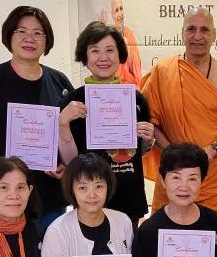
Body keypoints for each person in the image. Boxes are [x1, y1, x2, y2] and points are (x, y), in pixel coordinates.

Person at [0, 6, 74, 235]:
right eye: (21, 31)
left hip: (50, 195)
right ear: (9, 36)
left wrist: (66, 165)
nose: (29, 39)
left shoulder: (59, 82)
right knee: (6, 254)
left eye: (37, 33)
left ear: (47, 40)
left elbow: (71, 133)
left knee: (48, 254)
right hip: (5, 196)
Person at [141, 7, 217, 228]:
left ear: (214, 35)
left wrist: (214, 149)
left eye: (204, 30)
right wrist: (173, 153)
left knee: (216, 241)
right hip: (173, 175)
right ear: (182, 33)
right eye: (191, 29)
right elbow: (149, 122)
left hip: (215, 180)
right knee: (167, 240)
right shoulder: (163, 71)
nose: (197, 36)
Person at [58, 22, 155, 225]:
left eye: (110, 50)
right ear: (85, 57)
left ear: (120, 55)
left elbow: (139, 152)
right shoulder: (72, 102)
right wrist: (63, 124)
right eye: (95, 51)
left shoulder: (136, 99)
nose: (103, 57)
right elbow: (70, 161)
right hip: (88, 200)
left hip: (129, 196)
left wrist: (147, 140)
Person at [110, 0, 143, 88]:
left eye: (121, 9)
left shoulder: (129, 34)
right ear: (112, 15)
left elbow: (136, 68)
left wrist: (127, 49)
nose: (120, 14)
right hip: (115, 86)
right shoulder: (109, 36)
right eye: (116, 10)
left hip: (131, 85)